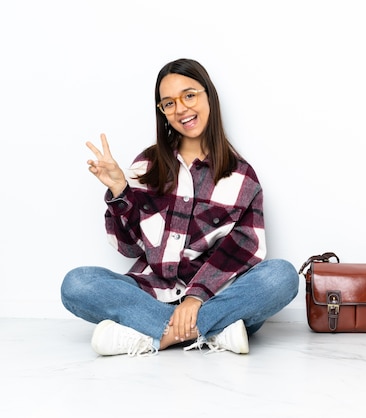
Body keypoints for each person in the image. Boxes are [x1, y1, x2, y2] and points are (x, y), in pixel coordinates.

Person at [61, 58, 299, 357]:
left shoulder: (241, 176)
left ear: (208, 95)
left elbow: (244, 250)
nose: (181, 109)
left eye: (189, 95)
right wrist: (120, 191)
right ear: (162, 113)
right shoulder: (146, 166)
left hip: (216, 298)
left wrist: (195, 297)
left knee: (281, 276)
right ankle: (213, 333)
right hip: (150, 295)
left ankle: (154, 336)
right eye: (168, 103)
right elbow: (130, 248)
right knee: (77, 283)